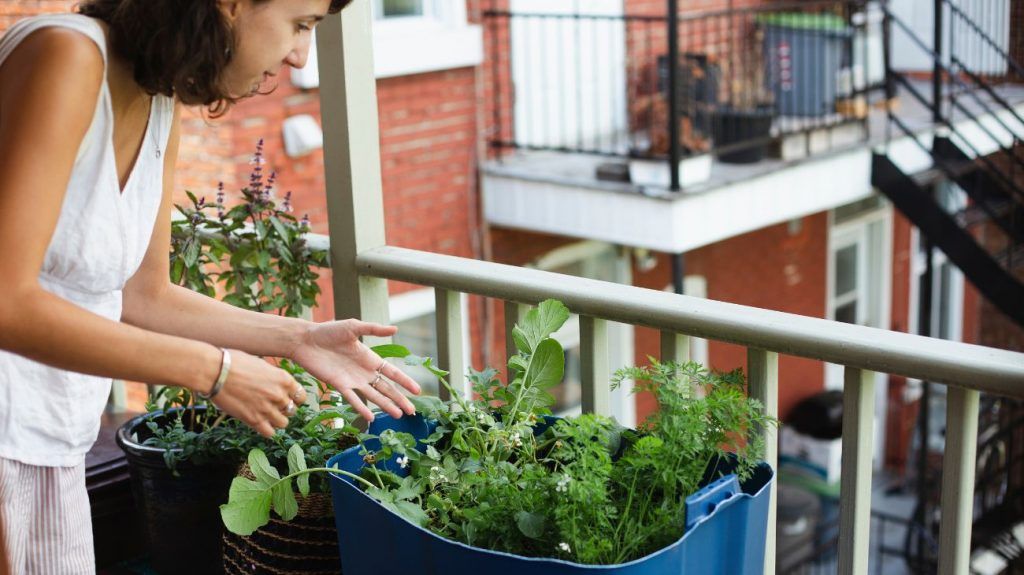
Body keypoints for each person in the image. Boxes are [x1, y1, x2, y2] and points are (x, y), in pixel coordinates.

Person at [0, 0, 422, 572]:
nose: (299, 56)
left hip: (50, 446)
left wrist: (298, 337)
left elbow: (143, 296)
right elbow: (7, 300)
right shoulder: (67, 55)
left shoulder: (158, 101)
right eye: (301, 25)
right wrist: (215, 371)